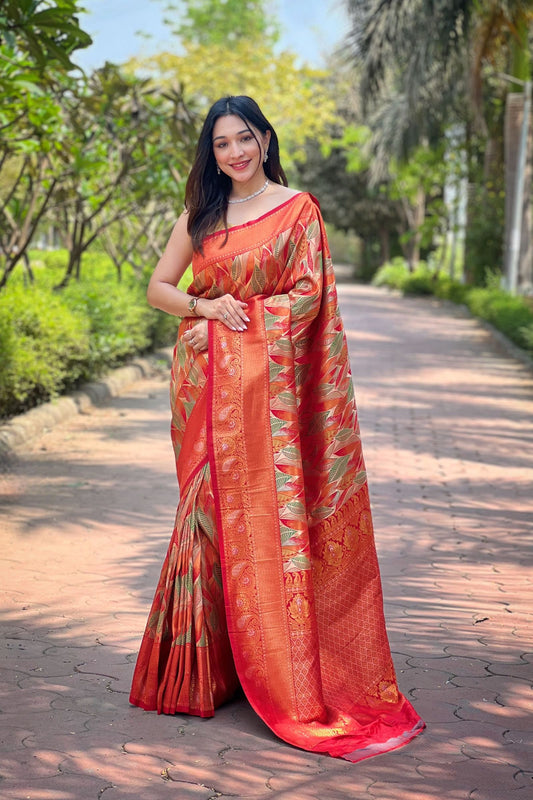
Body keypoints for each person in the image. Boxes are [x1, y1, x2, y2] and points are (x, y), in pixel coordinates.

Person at [129, 95, 424, 762]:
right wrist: (208, 306)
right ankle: (195, 676)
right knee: (205, 518)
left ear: (264, 139)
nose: (232, 152)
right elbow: (158, 288)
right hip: (206, 391)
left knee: (266, 522)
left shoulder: (297, 211)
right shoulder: (201, 215)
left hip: (269, 395)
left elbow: (309, 296)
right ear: (211, 152)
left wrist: (248, 321)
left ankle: (273, 666)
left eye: (243, 138)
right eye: (220, 143)